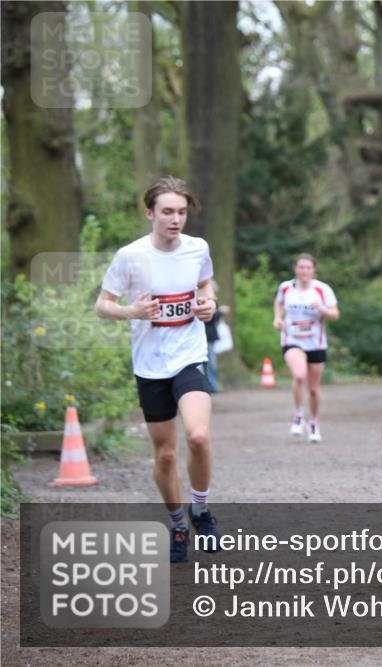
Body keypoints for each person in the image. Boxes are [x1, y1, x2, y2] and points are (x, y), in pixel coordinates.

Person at [95, 176, 222, 564]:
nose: (175, 219)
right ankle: (178, 524)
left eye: (182, 212)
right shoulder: (130, 256)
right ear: (150, 213)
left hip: (188, 354)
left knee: (198, 436)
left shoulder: (197, 248)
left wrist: (208, 304)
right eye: (167, 211)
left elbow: (206, 285)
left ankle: (200, 509)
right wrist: (132, 311)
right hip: (150, 365)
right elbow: (103, 305)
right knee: (165, 456)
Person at [273, 254, 339, 443]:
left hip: (316, 343)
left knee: (313, 389)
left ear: (314, 270)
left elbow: (335, 314)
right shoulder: (285, 287)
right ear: (295, 269)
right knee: (299, 375)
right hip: (292, 339)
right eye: (301, 267)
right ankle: (299, 415)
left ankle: (314, 422)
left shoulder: (322, 289)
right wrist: (277, 318)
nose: (304, 271)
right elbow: (278, 302)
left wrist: (322, 309)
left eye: (308, 267)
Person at [203, 280, 230, 393]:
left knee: (211, 364)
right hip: (205, 337)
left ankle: (212, 385)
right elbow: (208, 318)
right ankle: (210, 386)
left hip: (209, 337)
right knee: (210, 364)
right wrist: (220, 312)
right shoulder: (203, 300)